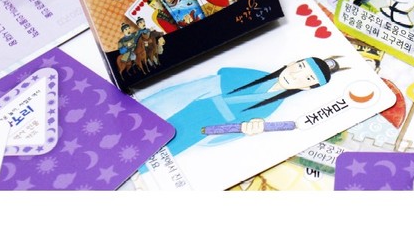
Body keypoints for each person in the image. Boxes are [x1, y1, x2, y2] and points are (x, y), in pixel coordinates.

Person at [140, 56, 347, 158]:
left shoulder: (272, 105)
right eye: (300, 67)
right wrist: (152, 107)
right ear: (292, 63)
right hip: (185, 109)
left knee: (148, 157)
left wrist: (244, 130)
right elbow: (192, 90)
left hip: (198, 131)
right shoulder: (249, 76)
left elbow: (225, 132)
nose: (296, 76)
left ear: (308, 87)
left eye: (308, 78)